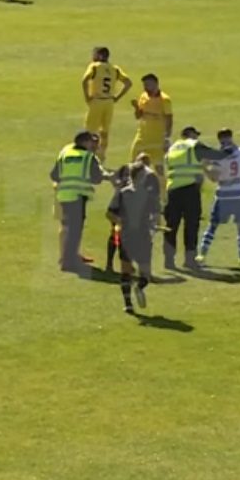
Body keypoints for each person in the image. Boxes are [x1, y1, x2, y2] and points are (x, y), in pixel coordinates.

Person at [163, 126, 227, 270]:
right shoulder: (194, 145)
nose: (197, 137)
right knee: (191, 225)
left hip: (172, 189)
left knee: (171, 226)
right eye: (195, 135)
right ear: (189, 135)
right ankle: (190, 259)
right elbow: (216, 154)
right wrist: (230, 151)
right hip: (189, 189)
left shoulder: (173, 148)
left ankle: (169, 260)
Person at [198, 128, 240, 267]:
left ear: (220, 139)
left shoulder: (217, 156)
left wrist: (204, 167)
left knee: (213, 226)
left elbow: (214, 178)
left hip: (223, 196)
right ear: (231, 137)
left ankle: (202, 255)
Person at [49, 131, 108, 274]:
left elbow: (54, 175)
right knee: (74, 230)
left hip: (63, 195)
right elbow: (97, 178)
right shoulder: (88, 157)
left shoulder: (65, 152)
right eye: (93, 142)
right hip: (78, 196)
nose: (95, 145)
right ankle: (68, 262)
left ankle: (68, 258)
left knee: (68, 228)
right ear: (84, 142)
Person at [107, 161, 161, 314]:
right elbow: (155, 215)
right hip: (142, 236)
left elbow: (110, 213)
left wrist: (120, 222)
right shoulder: (148, 195)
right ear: (140, 176)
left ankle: (128, 304)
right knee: (145, 273)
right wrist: (153, 225)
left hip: (127, 236)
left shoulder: (122, 193)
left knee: (126, 271)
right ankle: (139, 288)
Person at [82, 46, 132, 162]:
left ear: (99, 55)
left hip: (97, 101)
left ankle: (87, 155)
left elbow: (85, 80)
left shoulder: (95, 67)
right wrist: (117, 97)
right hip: (109, 103)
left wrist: (87, 96)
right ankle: (101, 155)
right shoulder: (115, 69)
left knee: (90, 130)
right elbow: (128, 83)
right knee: (104, 131)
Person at [130, 73, 172, 189]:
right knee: (134, 165)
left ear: (156, 84)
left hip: (157, 140)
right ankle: (135, 190)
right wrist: (136, 107)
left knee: (159, 168)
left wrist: (167, 138)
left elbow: (169, 119)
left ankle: (164, 195)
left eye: (148, 85)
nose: (146, 88)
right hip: (142, 137)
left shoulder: (165, 100)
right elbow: (138, 116)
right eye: (144, 85)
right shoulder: (143, 96)